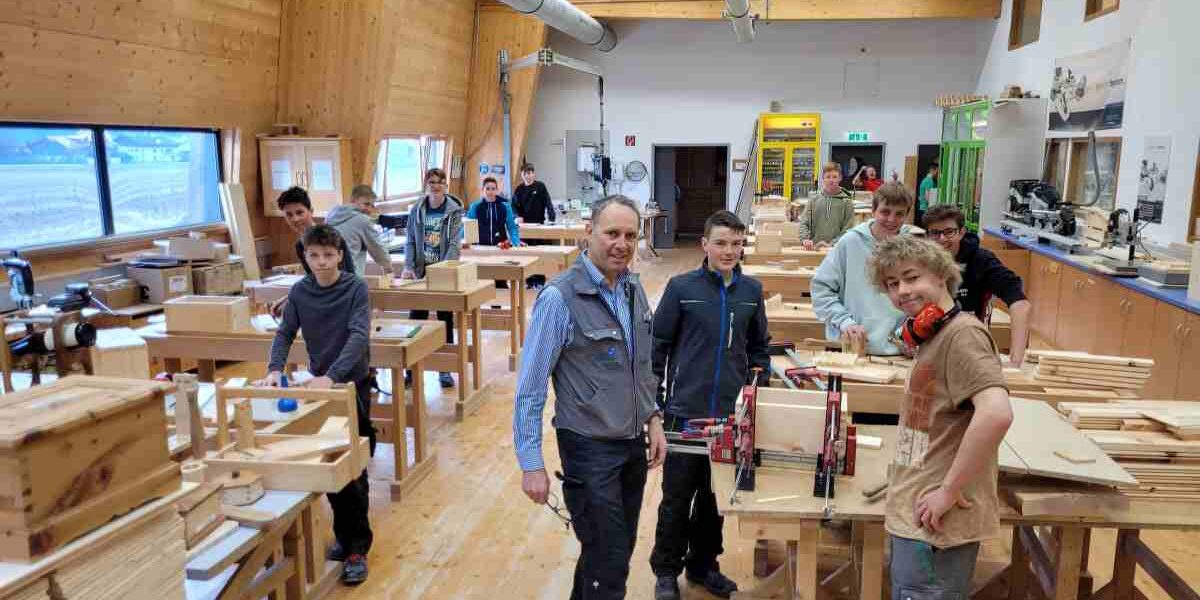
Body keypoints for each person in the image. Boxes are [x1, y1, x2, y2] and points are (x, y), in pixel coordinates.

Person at [513, 195, 668, 600]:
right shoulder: (559, 300)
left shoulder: (632, 289)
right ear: (589, 232)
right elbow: (530, 389)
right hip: (588, 448)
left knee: (608, 554)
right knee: (609, 561)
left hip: (631, 444)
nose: (622, 244)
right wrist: (531, 464)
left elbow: (642, 364)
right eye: (611, 233)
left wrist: (653, 418)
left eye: (631, 235)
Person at [866, 235, 1013, 600]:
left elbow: (996, 414)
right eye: (892, 284)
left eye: (912, 277)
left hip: (935, 523)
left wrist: (948, 490)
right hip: (918, 510)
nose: (902, 290)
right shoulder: (935, 332)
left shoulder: (963, 335)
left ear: (941, 275)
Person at [648, 210, 769, 600]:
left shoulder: (751, 291)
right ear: (705, 245)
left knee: (715, 497)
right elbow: (658, 347)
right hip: (685, 411)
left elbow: (759, 349)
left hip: (729, 417)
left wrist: (756, 385)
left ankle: (703, 566)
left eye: (736, 243)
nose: (729, 251)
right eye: (720, 243)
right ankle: (666, 570)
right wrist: (657, 402)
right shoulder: (681, 287)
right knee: (677, 496)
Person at [256, 224, 376, 586]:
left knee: (352, 466)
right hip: (318, 387)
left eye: (328, 255)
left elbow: (358, 335)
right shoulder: (300, 292)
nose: (322, 262)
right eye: (314, 256)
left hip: (350, 382)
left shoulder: (355, 288)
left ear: (340, 255)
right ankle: (345, 534)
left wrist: (334, 375)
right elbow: (284, 333)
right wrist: (275, 369)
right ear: (305, 258)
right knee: (327, 461)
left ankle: (356, 547)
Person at [811, 182, 916, 356]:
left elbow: (923, 299)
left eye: (899, 214)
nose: (891, 219)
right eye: (885, 212)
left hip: (898, 351)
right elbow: (821, 289)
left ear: (906, 215)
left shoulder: (912, 247)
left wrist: (912, 332)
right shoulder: (850, 242)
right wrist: (845, 322)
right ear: (873, 211)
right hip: (852, 348)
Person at [923, 205, 1032, 366]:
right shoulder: (919, 261)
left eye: (949, 232)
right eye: (935, 233)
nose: (941, 239)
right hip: (928, 351)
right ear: (927, 236)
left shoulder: (981, 261)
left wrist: (1015, 361)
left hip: (971, 353)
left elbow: (1021, 305)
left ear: (962, 232)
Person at [403, 168, 464, 389]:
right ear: (426, 184)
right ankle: (410, 369)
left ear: (445, 185)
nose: (435, 185)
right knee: (415, 320)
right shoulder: (417, 210)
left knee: (444, 321)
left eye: (439, 182)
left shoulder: (454, 211)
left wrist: (443, 270)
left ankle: (445, 369)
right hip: (420, 272)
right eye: (432, 182)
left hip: (442, 273)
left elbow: (455, 244)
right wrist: (408, 266)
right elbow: (410, 240)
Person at [269, 187, 355, 319]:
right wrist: (290, 297)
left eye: (299, 212)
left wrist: (298, 299)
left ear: (311, 211)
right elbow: (315, 279)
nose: (295, 219)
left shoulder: (331, 237)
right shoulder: (300, 246)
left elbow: (345, 280)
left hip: (342, 304)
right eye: (289, 214)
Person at [326, 184, 393, 277]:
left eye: (372, 205)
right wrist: (389, 268)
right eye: (366, 204)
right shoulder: (363, 220)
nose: (369, 209)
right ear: (353, 201)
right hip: (349, 276)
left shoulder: (332, 215)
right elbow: (378, 249)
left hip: (328, 274)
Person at [797, 162, 856, 249]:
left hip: (836, 250)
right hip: (814, 249)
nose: (831, 180)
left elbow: (848, 229)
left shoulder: (846, 202)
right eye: (828, 177)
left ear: (840, 178)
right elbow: (804, 223)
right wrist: (805, 239)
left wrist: (832, 244)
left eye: (835, 177)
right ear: (823, 179)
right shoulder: (814, 200)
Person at [467, 176, 523, 247]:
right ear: (482, 190)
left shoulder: (505, 206)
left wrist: (516, 243)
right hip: (480, 247)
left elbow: (511, 227)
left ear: (497, 190)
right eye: (487, 189)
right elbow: (468, 227)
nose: (490, 192)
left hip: (501, 246)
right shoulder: (475, 206)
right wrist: (463, 243)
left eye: (493, 189)